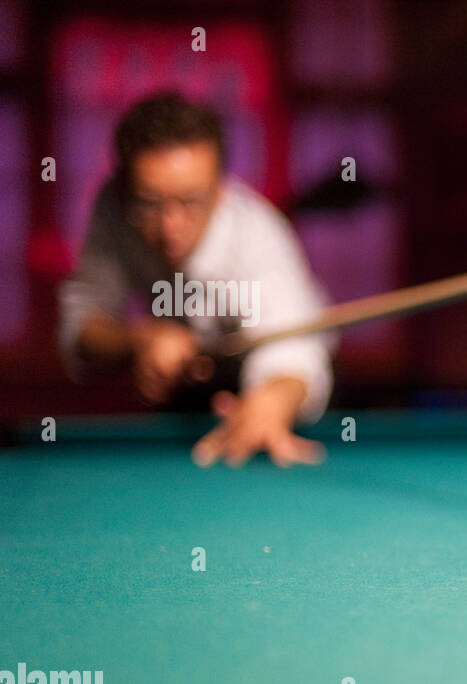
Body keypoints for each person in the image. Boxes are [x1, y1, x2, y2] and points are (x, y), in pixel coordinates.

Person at [59, 93, 335, 467]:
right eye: (150, 204)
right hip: (182, 398)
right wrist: (142, 338)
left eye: (191, 201)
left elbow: (293, 351)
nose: (171, 227)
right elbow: (82, 330)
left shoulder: (257, 232)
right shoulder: (111, 209)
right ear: (124, 191)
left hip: (267, 388)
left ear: (221, 191)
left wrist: (274, 400)